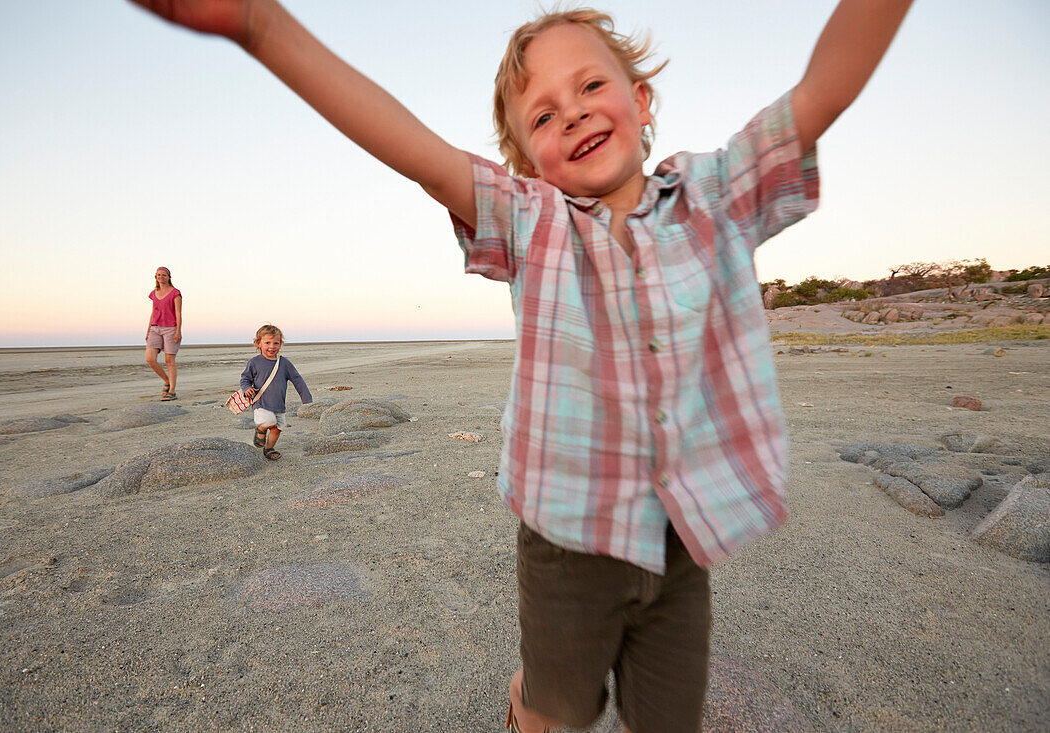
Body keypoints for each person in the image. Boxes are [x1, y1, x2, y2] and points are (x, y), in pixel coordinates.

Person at [130, 1, 915, 729]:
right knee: (556, 711)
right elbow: (419, 155)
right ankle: (528, 700)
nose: (571, 110)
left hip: (682, 543)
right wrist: (261, 26)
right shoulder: (533, 222)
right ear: (527, 161)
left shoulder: (713, 195)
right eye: (543, 113)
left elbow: (820, 95)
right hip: (567, 542)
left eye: (591, 85)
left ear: (642, 100)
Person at [240, 324, 313, 461]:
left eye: (276, 343)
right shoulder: (254, 362)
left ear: (280, 344)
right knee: (269, 421)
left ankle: (269, 448)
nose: (272, 346)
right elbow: (245, 378)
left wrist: (307, 399)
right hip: (261, 403)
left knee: (277, 428)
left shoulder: (284, 363)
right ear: (259, 344)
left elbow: (297, 380)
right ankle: (260, 430)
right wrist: (246, 389)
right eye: (267, 343)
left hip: (279, 404)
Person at [144, 266, 182, 401]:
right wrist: (148, 330)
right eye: (159, 275)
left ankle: (172, 391)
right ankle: (166, 381)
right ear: (155, 277)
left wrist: (178, 331)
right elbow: (153, 313)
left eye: (164, 275)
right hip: (155, 328)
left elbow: (178, 313)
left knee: (169, 360)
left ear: (169, 277)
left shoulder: (175, 293)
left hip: (170, 329)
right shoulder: (154, 293)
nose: (161, 277)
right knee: (150, 359)